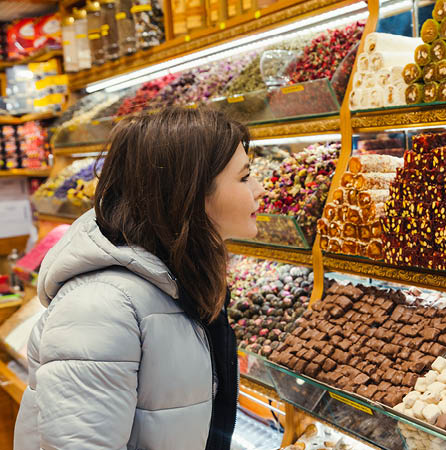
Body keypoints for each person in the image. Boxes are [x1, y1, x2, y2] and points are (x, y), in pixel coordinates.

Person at [13, 106, 265, 450]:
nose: (261, 188)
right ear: (189, 192)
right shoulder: (100, 306)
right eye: (245, 176)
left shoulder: (182, 281)